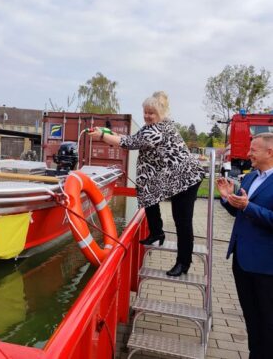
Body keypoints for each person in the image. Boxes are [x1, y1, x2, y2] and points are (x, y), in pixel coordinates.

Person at [88, 91, 204, 276]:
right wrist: (107, 132)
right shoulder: (152, 126)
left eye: (152, 113)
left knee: (182, 222)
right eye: (146, 112)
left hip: (185, 180)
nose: (148, 116)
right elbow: (131, 137)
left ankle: (184, 262)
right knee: (145, 188)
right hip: (171, 177)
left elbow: (129, 142)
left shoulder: (156, 130)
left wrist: (102, 136)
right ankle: (157, 232)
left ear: (161, 113)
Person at [216, 133, 273, 359]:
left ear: (269, 152)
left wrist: (248, 206)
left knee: (267, 321)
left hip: (266, 267)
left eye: (253, 150)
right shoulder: (250, 178)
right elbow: (239, 211)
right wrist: (226, 198)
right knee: (251, 317)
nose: (248, 154)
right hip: (242, 261)